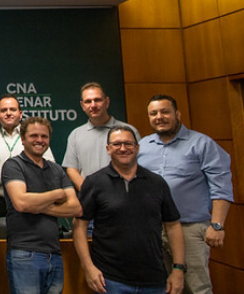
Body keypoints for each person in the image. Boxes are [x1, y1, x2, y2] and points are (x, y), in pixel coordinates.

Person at [137, 94, 233, 294]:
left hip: (189, 228)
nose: (159, 117)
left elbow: (221, 185)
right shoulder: (143, 146)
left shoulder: (201, 144)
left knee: (197, 288)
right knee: (161, 288)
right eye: (153, 113)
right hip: (153, 231)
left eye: (165, 112)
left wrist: (217, 225)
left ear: (177, 114)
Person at [74, 126, 185, 293]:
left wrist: (178, 269)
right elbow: (79, 226)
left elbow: (173, 225)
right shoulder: (94, 182)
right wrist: (88, 267)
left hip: (154, 279)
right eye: (117, 144)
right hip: (110, 280)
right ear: (108, 149)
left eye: (128, 144)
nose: (123, 148)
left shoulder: (157, 183)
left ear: (137, 147)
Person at [2, 116, 82, 294]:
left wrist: (38, 205)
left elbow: (76, 208)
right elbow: (21, 203)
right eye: (34, 136)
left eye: (44, 136)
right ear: (22, 139)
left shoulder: (56, 169)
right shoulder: (14, 165)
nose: (40, 140)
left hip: (54, 253)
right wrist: (57, 194)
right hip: (24, 253)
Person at [0, 94, 55, 219]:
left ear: (20, 113)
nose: (8, 113)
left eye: (12, 109)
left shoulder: (35, 138)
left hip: (32, 198)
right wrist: (12, 179)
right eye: (4, 110)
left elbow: (50, 164)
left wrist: (26, 179)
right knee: (1, 236)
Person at [63, 82, 137, 191]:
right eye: (88, 101)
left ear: (107, 102)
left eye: (97, 100)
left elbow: (139, 164)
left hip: (124, 196)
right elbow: (72, 170)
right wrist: (89, 192)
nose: (93, 105)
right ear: (82, 106)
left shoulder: (129, 131)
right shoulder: (75, 135)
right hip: (90, 200)